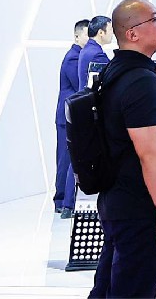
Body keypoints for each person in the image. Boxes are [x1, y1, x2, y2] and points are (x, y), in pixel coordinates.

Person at [91, 0, 156, 299]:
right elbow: (150, 154)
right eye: (154, 18)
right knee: (132, 291)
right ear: (132, 34)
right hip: (139, 207)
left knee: (109, 287)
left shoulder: (124, 69)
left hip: (120, 201)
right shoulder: (139, 81)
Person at [57, 20, 90, 217]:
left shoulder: (81, 56)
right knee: (64, 160)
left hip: (71, 115)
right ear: (77, 37)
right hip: (66, 117)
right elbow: (80, 84)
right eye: (86, 34)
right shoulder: (73, 58)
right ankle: (61, 201)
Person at [78, 14, 114, 88]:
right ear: (101, 32)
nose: (112, 33)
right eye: (110, 29)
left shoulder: (88, 49)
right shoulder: (97, 54)